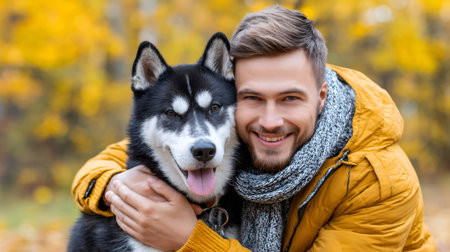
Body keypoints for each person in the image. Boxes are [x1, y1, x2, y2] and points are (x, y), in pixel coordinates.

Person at [71, 6, 436, 251]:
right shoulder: (232, 137)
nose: (270, 121)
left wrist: (190, 239)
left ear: (321, 95)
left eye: (290, 98)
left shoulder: (380, 183)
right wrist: (114, 188)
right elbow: (116, 157)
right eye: (253, 98)